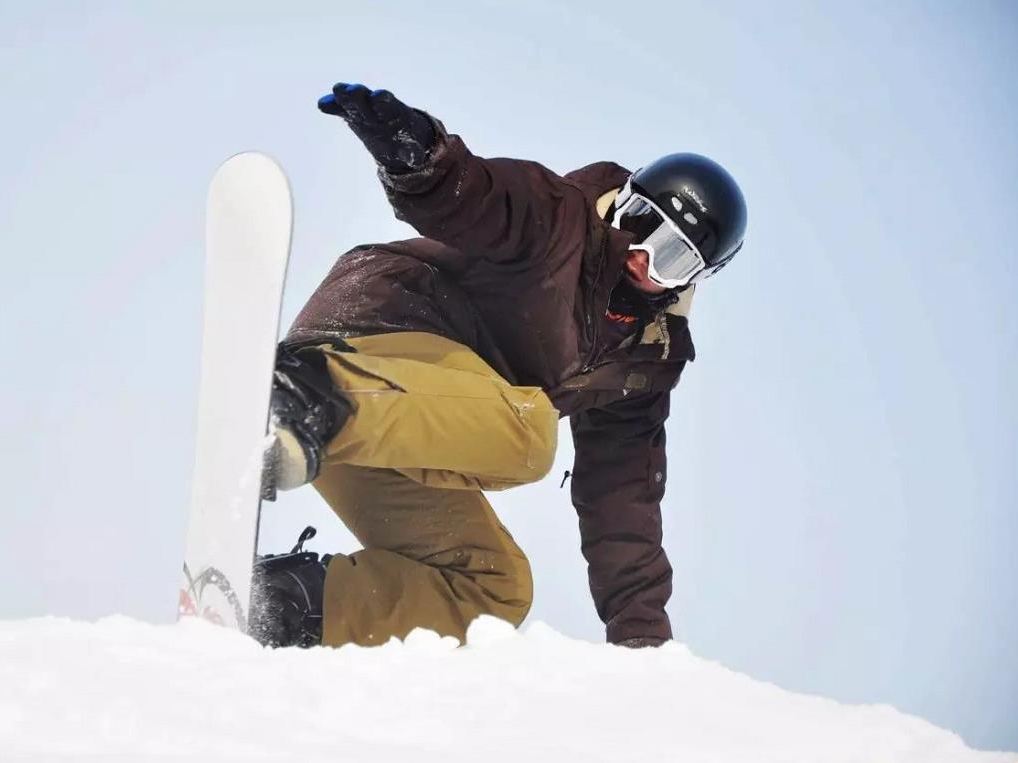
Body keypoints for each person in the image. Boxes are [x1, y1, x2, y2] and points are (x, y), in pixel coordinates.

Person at [248, 82, 747, 650]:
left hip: (384, 430)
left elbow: (621, 499)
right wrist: (421, 159)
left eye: (672, 255)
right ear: (621, 202)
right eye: (640, 225)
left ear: (692, 281)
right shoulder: (561, 223)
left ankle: (284, 607)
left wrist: (642, 645)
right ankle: (296, 400)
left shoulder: (641, 366)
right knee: (529, 435)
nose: (641, 255)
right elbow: (479, 199)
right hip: (370, 349)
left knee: (495, 590)